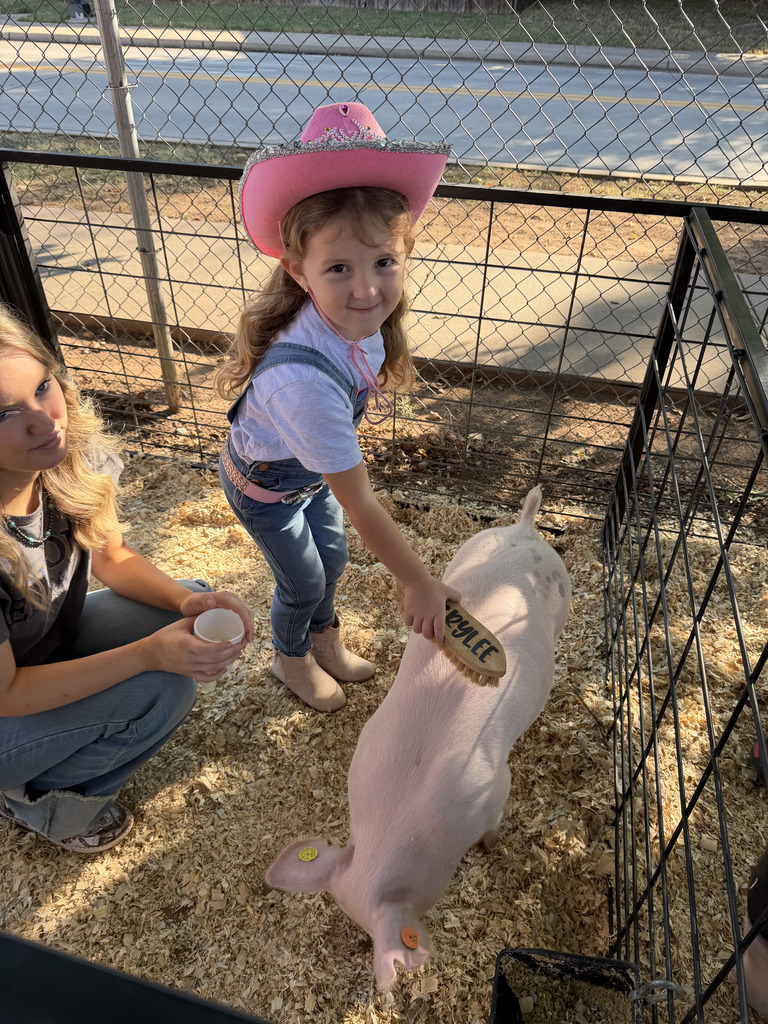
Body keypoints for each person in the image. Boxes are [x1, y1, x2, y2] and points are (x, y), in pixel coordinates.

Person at [216, 100, 459, 714]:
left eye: (384, 262)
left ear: (405, 255)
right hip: (267, 487)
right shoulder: (304, 384)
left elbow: (342, 482)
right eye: (338, 268)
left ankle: (324, 644)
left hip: (303, 474)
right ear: (299, 272)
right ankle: (289, 658)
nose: (366, 288)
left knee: (335, 558)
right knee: (302, 582)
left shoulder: (355, 323)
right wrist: (418, 580)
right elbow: (360, 498)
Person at [0, 305, 252, 853]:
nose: (45, 421)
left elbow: (111, 555)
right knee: (160, 689)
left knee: (178, 606)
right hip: (4, 701)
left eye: (43, 387)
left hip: (37, 652)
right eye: (3, 414)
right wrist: (146, 656)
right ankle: (45, 803)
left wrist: (192, 600)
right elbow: (8, 692)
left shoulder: (66, 456)